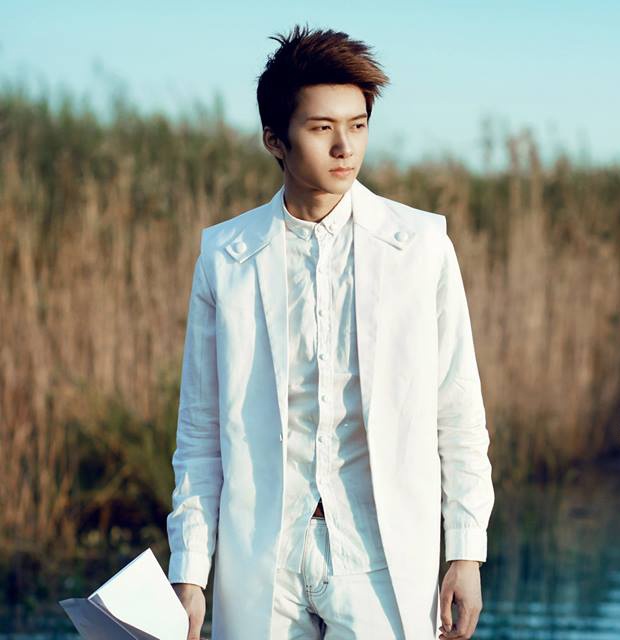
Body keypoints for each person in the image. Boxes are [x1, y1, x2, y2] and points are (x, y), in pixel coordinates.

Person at [166, 24, 495, 640]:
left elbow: (457, 409)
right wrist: (189, 571)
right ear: (275, 139)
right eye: (322, 128)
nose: (345, 147)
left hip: (381, 554)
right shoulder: (226, 256)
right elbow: (201, 430)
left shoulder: (420, 246)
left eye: (358, 125)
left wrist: (465, 550)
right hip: (261, 558)